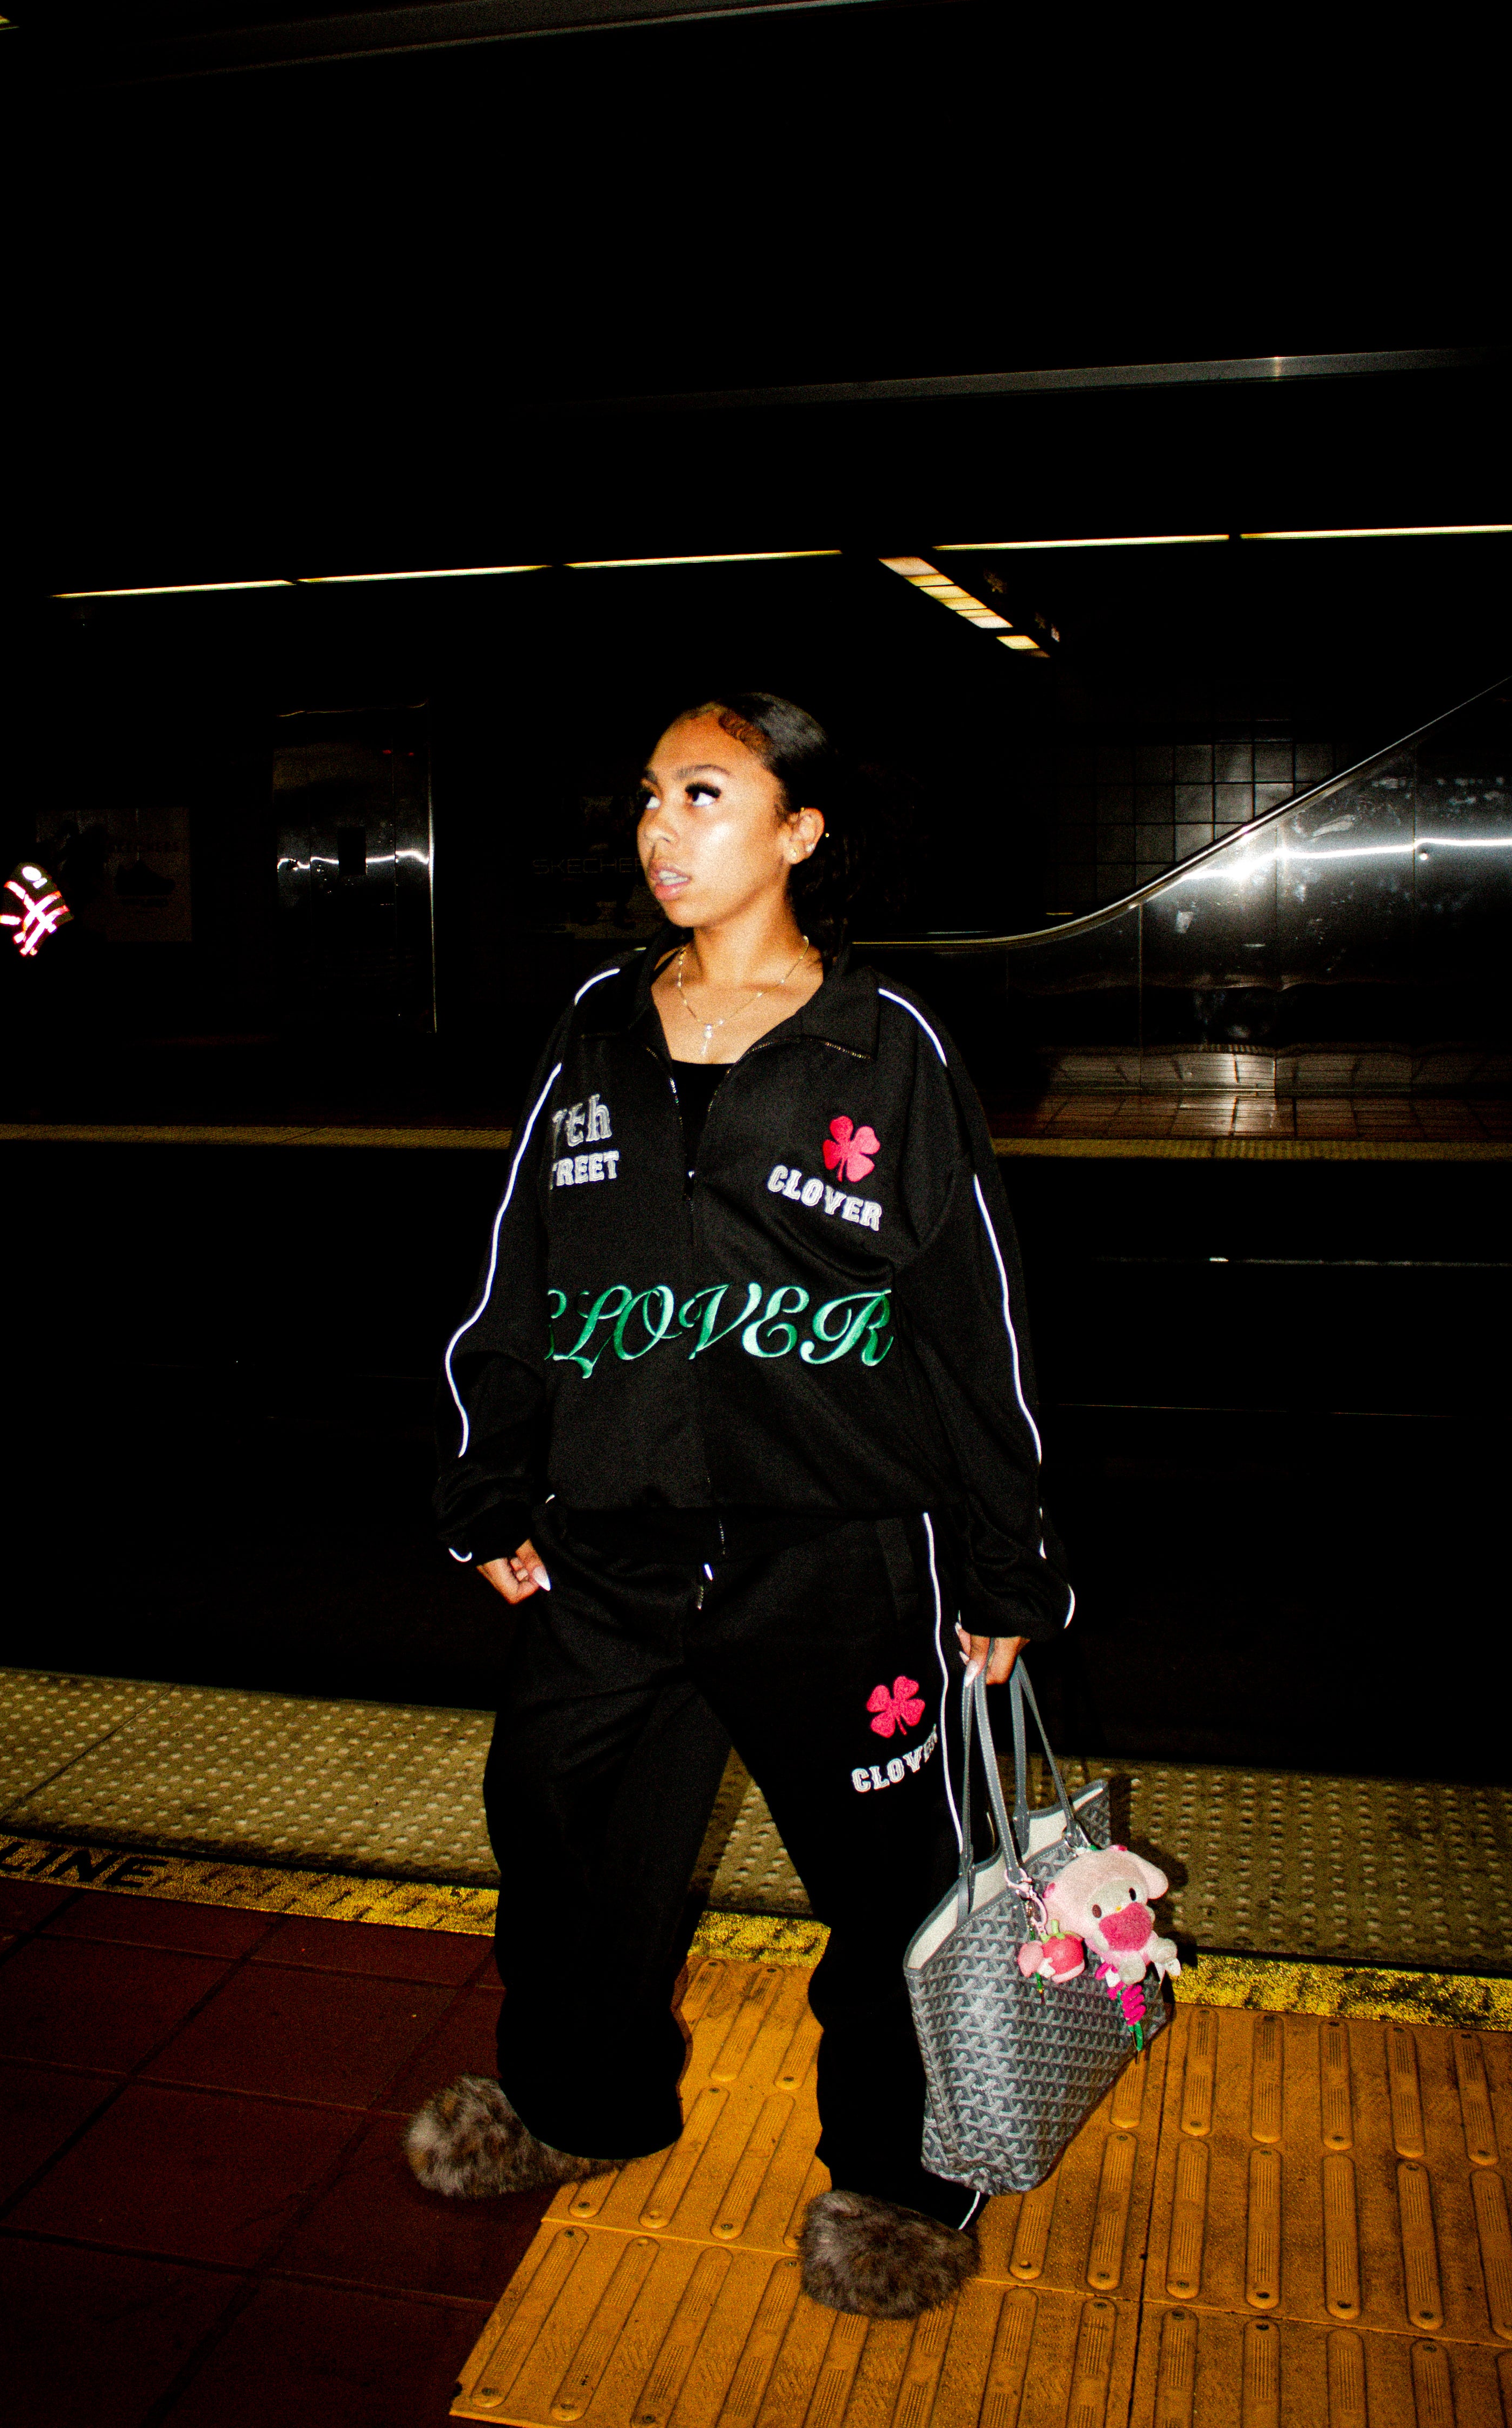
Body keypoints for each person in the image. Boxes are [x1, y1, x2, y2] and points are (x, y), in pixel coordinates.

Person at [404, 690, 1072, 2318]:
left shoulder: (885, 1047)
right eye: (650, 795)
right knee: (561, 1844)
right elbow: (520, 1273)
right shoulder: (596, 1027)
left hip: (840, 1562)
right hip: (611, 1551)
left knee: (893, 1892)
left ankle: (900, 2184)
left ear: (799, 832)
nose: (661, 828)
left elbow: (969, 1319)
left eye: (704, 795)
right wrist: (488, 1481)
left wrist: (1006, 1565)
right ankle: (577, 2102)